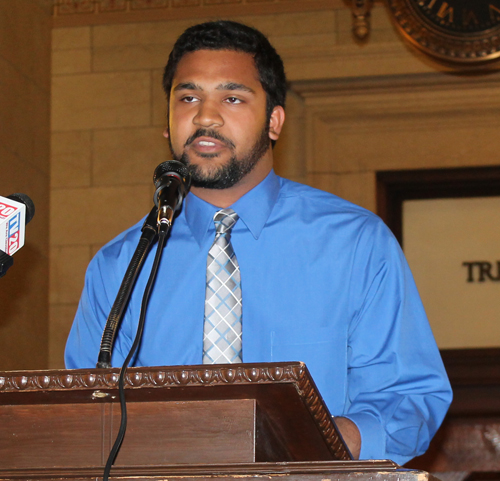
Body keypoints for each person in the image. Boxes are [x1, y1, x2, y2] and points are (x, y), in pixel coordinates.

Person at [65, 20, 452, 465]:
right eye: (188, 97)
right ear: (167, 121)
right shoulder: (120, 265)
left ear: (274, 120)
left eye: (232, 98)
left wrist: (319, 437)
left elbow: (409, 397)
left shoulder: (355, 243)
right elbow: (85, 417)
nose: (205, 116)